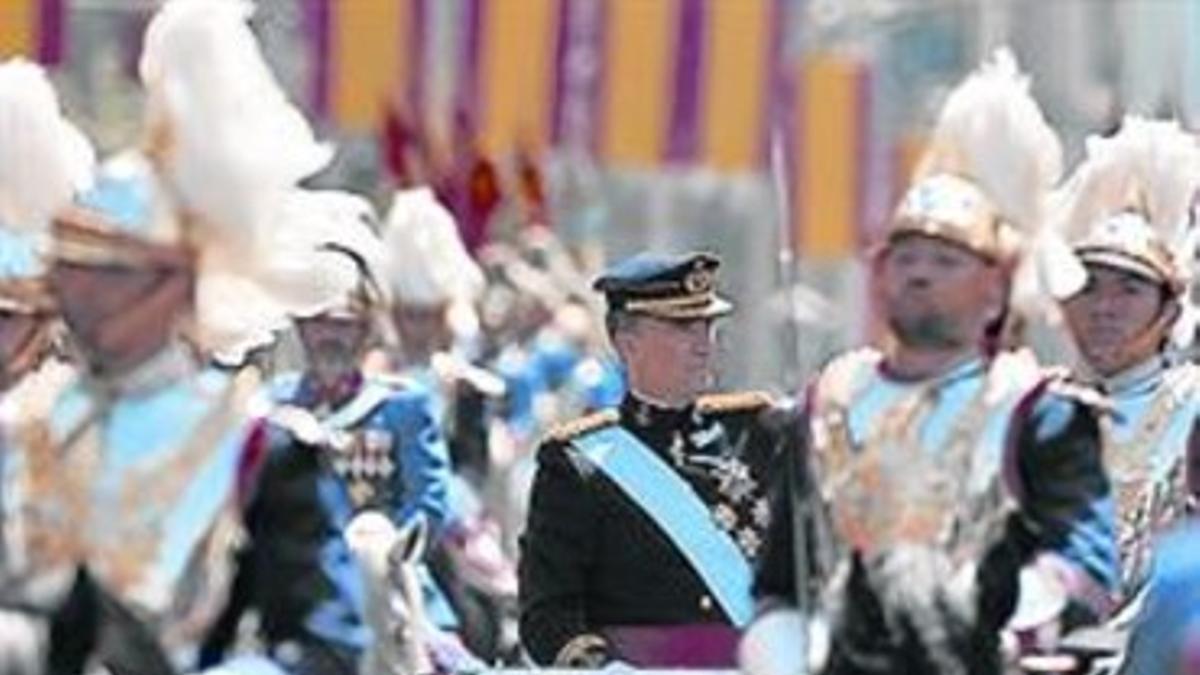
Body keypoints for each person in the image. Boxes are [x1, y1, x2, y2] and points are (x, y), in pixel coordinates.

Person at [744, 49, 1118, 675]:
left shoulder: (1037, 413)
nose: (920, 274)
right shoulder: (830, 401)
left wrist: (1011, 621)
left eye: (946, 262)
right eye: (906, 257)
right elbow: (783, 575)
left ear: (995, 288)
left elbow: (1081, 560)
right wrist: (783, 653)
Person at [197, 193, 468, 675]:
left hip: (391, 589)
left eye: (345, 325)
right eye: (319, 323)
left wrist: (388, 553)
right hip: (287, 592)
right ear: (299, 327)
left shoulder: (402, 406)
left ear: (367, 330)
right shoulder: (270, 406)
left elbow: (429, 501)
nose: (331, 336)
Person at [519, 251, 792, 668]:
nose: (704, 343)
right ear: (627, 342)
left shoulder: (758, 431)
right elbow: (548, 613)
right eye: (683, 326)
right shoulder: (578, 465)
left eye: (708, 325)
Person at [1052, 117, 1200, 601]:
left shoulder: (1192, 405)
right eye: (1089, 287)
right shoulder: (1039, 408)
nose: (1104, 307)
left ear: (1169, 309)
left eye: (1130, 289)